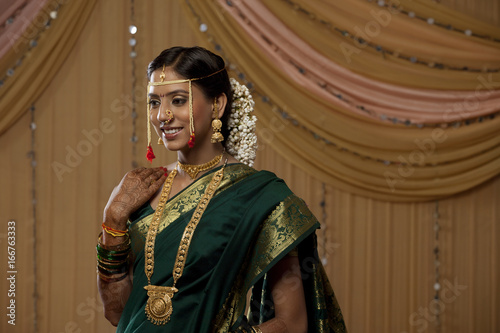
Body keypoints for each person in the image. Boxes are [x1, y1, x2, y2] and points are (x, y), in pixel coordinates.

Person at [97, 46, 347, 333]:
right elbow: (118, 313)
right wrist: (113, 219)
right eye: (154, 103)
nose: (162, 115)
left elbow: (293, 324)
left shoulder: (260, 197)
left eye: (178, 101)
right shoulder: (140, 190)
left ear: (217, 104)